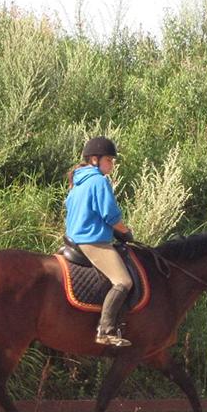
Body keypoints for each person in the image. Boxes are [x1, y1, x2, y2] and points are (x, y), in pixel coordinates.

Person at [64, 136, 135, 347]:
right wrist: (126, 232)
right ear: (95, 160)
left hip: (73, 239)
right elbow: (111, 215)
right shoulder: (98, 181)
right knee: (124, 281)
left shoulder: (78, 181)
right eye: (109, 160)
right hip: (92, 242)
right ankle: (105, 331)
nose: (112, 164)